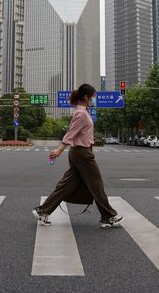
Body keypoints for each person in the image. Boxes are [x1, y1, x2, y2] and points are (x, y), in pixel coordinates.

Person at [32, 83, 123, 229]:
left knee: (66, 185)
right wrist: (59, 150)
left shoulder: (83, 111)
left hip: (81, 152)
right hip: (82, 153)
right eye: (94, 96)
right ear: (86, 97)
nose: (95, 99)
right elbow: (71, 133)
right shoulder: (81, 114)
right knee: (96, 184)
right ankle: (109, 216)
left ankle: (43, 211)